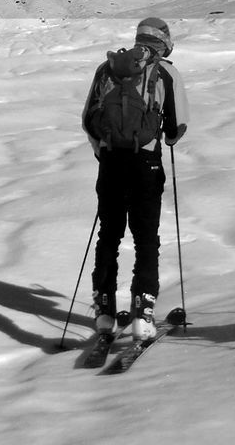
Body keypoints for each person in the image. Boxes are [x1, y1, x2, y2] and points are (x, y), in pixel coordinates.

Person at [81, 17, 189, 341]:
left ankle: (104, 311)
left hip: (111, 162)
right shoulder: (166, 72)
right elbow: (178, 126)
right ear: (164, 42)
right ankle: (143, 313)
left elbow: (89, 119)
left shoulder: (108, 68)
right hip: (146, 163)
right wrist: (162, 136)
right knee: (146, 239)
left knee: (108, 236)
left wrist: (105, 151)